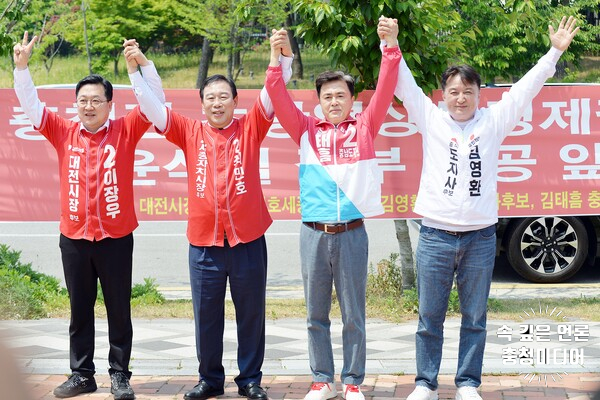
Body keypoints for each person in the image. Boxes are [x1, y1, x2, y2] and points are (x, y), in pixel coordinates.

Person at [388, 16, 580, 400]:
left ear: (479, 95)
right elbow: (404, 85)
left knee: (475, 317)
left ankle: (467, 383)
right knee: (429, 318)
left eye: (468, 91)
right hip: (435, 236)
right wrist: (389, 45)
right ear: (443, 94)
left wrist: (554, 52)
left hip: (478, 237)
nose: (461, 98)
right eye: (454, 91)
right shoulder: (431, 119)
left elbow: (527, 89)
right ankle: (425, 383)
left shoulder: (493, 122)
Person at [124, 30, 294, 400]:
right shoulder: (188, 130)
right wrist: (137, 71)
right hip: (204, 243)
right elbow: (153, 108)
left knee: (252, 314)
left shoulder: (251, 126)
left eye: (223, 97)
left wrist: (279, 56)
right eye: (210, 98)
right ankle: (210, 380)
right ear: (200, 103)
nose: (217, 103)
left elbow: (274, 92)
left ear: (235, 101)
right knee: (206, 317)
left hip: (247, 239)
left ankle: (250, 379)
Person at [13, 33, 165, 400]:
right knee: (79, 308)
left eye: (97, 100)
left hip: (115, 236)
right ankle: (82, 374)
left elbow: (155, 102)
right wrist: (21, 68)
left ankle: (119, 375)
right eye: (83, 100)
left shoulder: (126, 129)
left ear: (110, 104)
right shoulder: (63, 132)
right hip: (75, 237)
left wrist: (141, 67)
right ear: (75, 105)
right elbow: (32, 105)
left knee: (118, 308)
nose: (89, 106)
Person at [264, 18, 401, 400]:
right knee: (315, 315)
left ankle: (353, 381)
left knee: (354, 315)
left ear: (352, 99)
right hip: (313, 233)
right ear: (319, 102)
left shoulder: (366, 127)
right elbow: (276, 94)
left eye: (341, 95)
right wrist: (277, 59)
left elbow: (387, 87)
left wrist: (389, 45)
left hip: (353, 233)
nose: (334, 101)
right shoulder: (305, 130)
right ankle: (322, 380)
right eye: (327, 96)